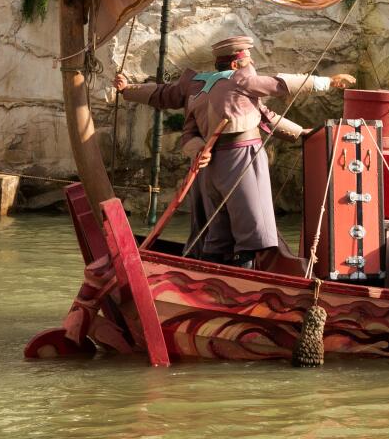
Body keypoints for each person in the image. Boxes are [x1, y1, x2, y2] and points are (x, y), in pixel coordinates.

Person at [114, 34, 354, 266]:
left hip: (207, 167)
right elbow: (280, 84)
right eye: (249, 60)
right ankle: (242, 281)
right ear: (235, 63)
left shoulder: (196, 83)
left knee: (217, 232)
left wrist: (127, 89)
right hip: (241, 159)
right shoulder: (241, 81)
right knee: (250, 230)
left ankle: (210, 275)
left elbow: (163, 93)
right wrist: (327, 82)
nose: (253, 64)